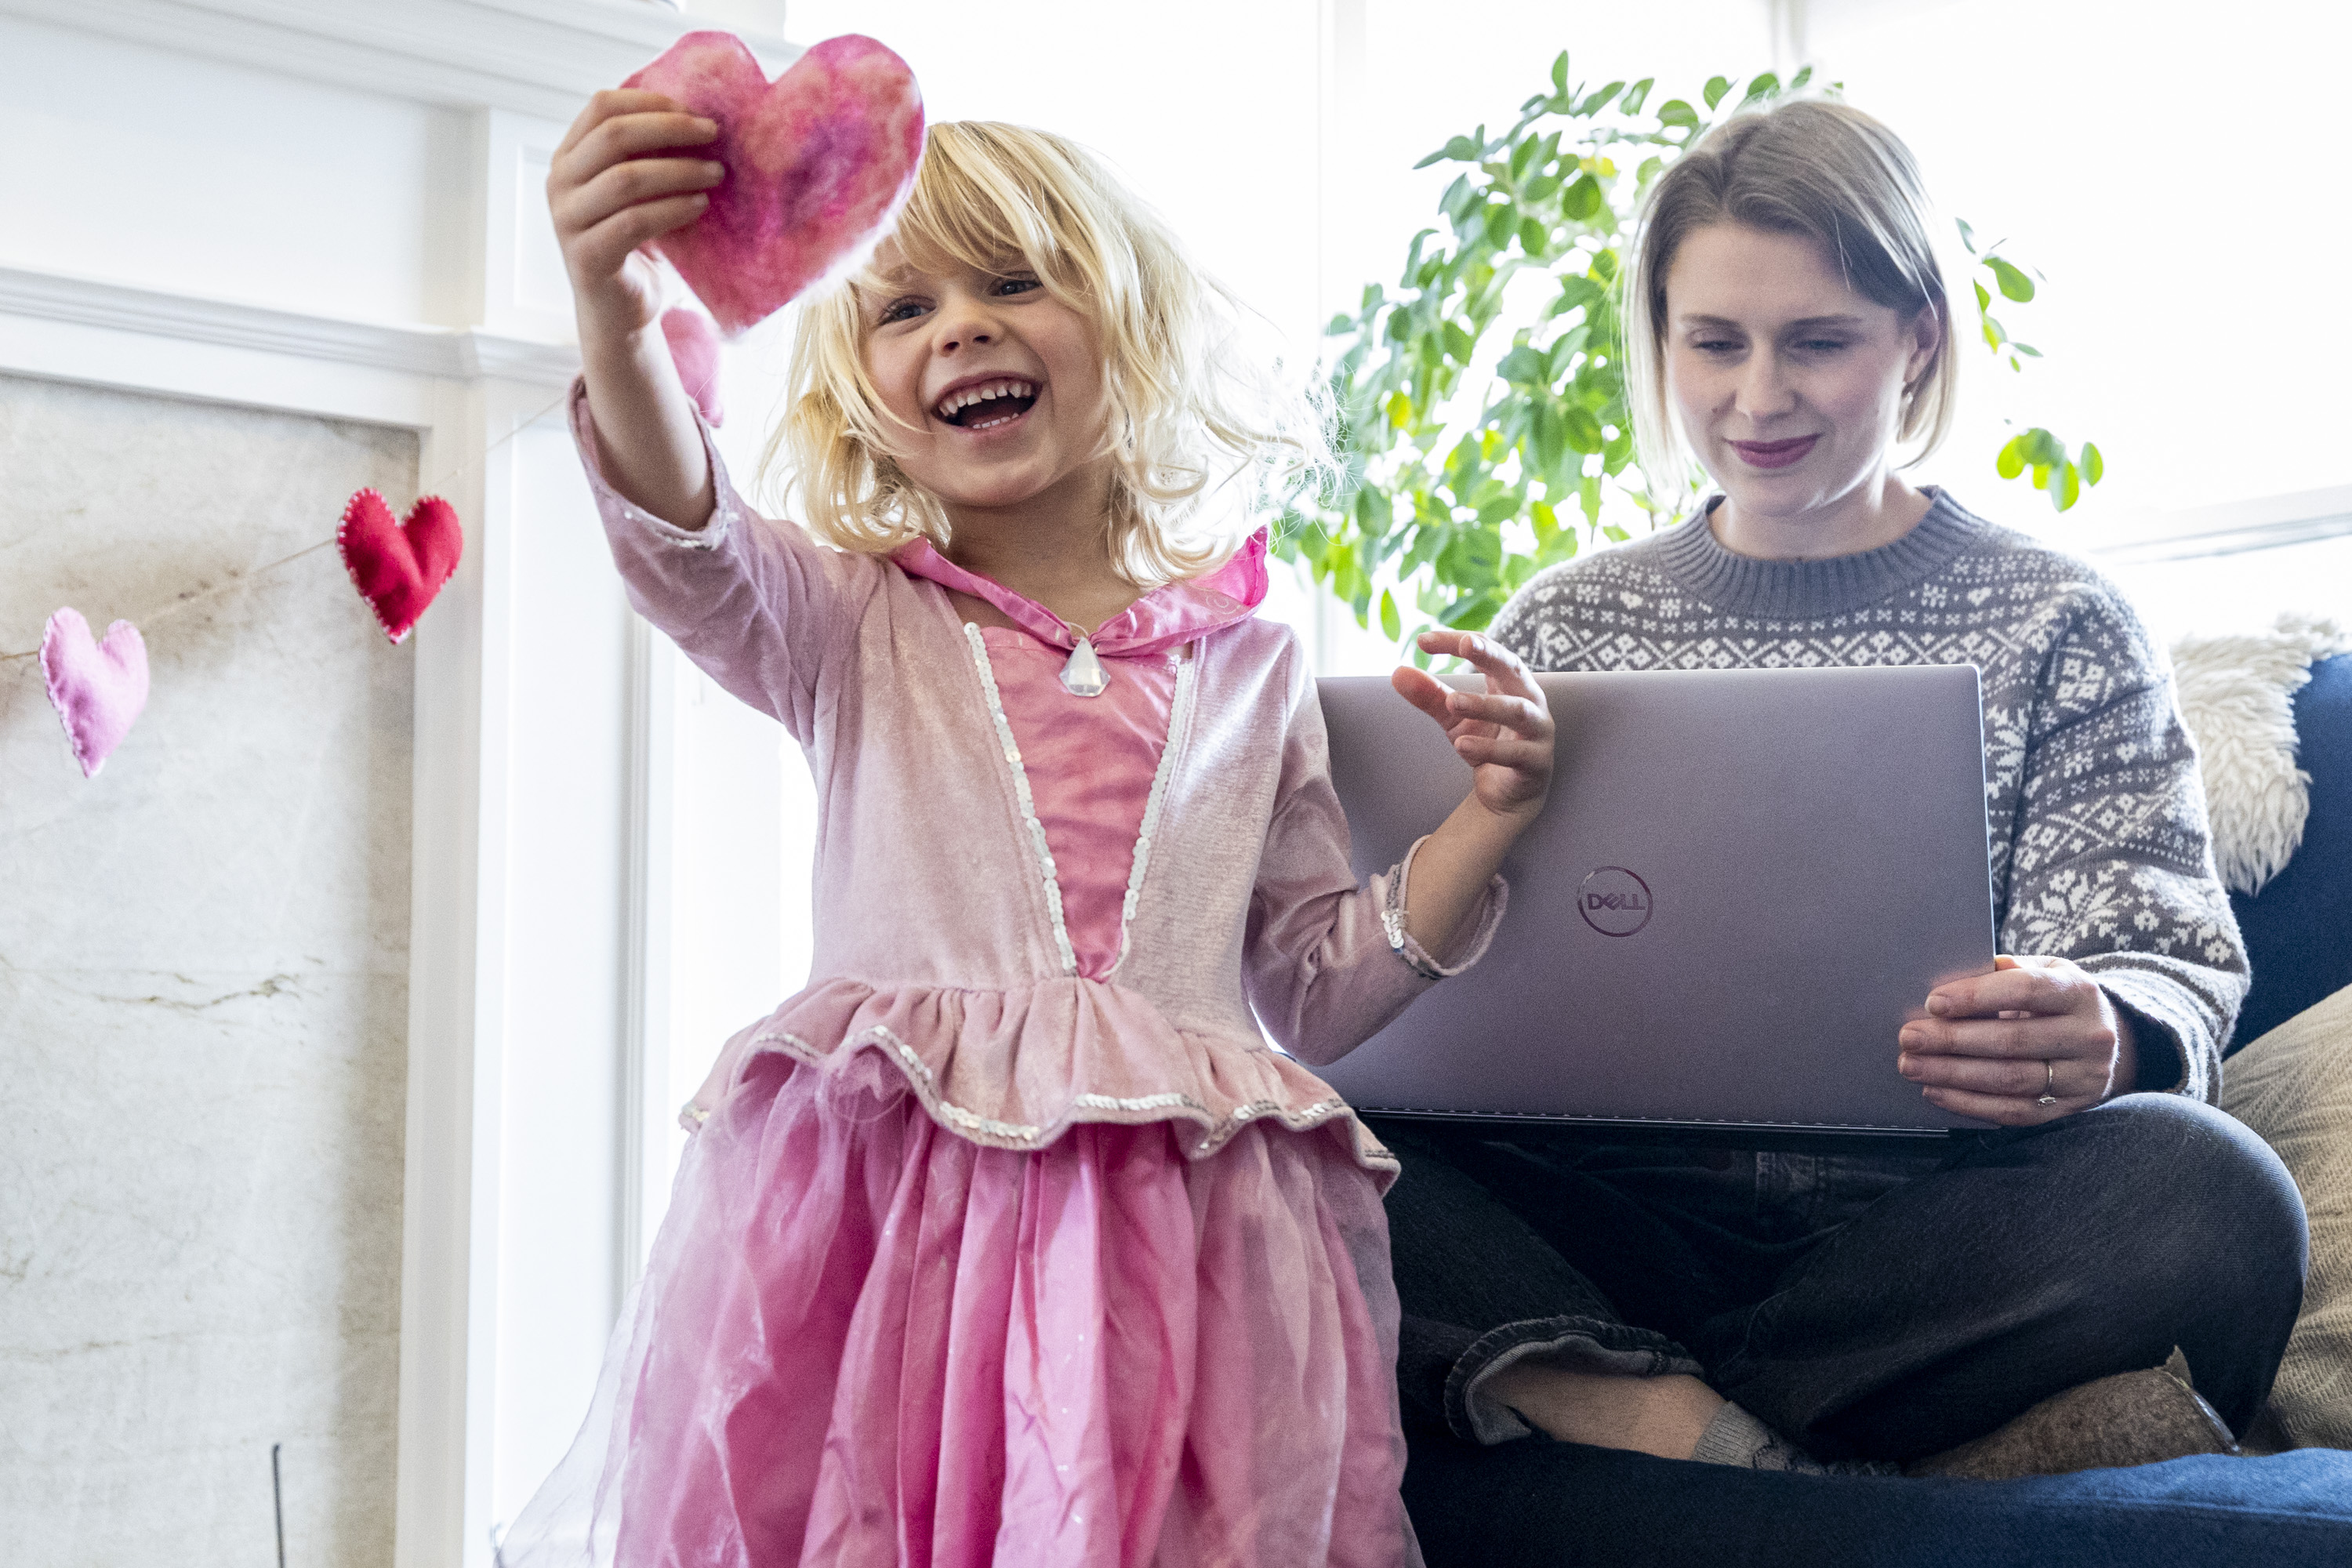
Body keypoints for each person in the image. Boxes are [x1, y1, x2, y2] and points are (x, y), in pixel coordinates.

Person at [504, 96, 1555, 1567]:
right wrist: (616, 319)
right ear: (863, 391)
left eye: (1014, 285)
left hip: (1180, 1268)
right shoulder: (846, 618)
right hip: (898, 1245)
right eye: (907, 309)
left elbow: (1315, 983)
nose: (962, 332)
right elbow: (687, 539)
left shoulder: (1247, 665)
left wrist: (1492, 817)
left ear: (1130, 328)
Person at [1384, 98, 2314, 1557]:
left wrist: (2110, 1029)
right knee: (1306, 1145)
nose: (1759, 396)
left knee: (2212, 1199)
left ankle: (1632, 1412)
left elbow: (2162, 950)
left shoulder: (2058, 618)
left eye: (1818, 341)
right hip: (1612, 1217)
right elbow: (1443, 959)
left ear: (1920, 338)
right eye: (1714, 342)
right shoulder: (1562, 624)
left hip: (1938, 1232)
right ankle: (1823, 1455)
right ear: (1662, 338)